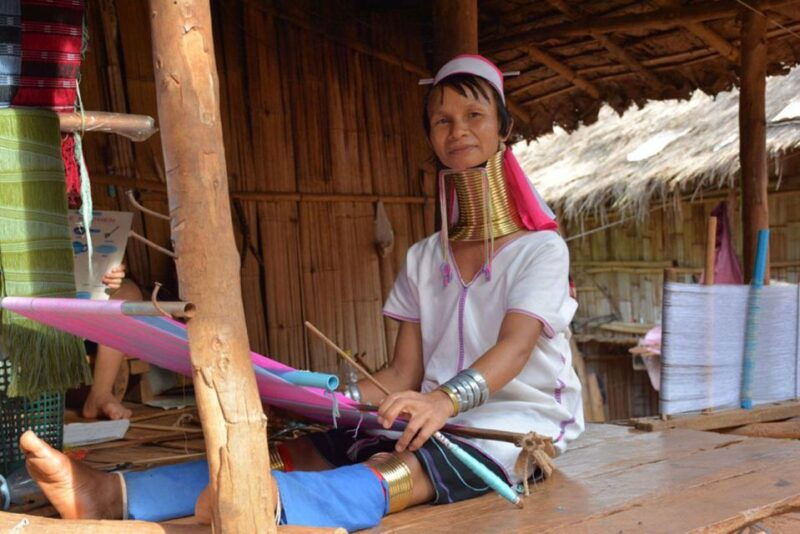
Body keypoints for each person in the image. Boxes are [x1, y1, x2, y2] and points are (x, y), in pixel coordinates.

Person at [19, 55, 583, 530]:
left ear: (503, 127)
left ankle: (277, 506)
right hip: (422, 415)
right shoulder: (422, 257)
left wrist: (442, 402)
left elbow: (514, 349)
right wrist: (315, 399)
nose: (456, 130)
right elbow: (401, 375)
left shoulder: (540, 250)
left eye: (473, 115)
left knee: (406, 469)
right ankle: (114, 496)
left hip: (508, 429)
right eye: (441, 120)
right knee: (314, 444)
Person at [80, 265, 142, 420]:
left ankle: (100, 394)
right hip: (39, 307)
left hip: (83, 305)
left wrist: (111, 274)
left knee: (129, 292)